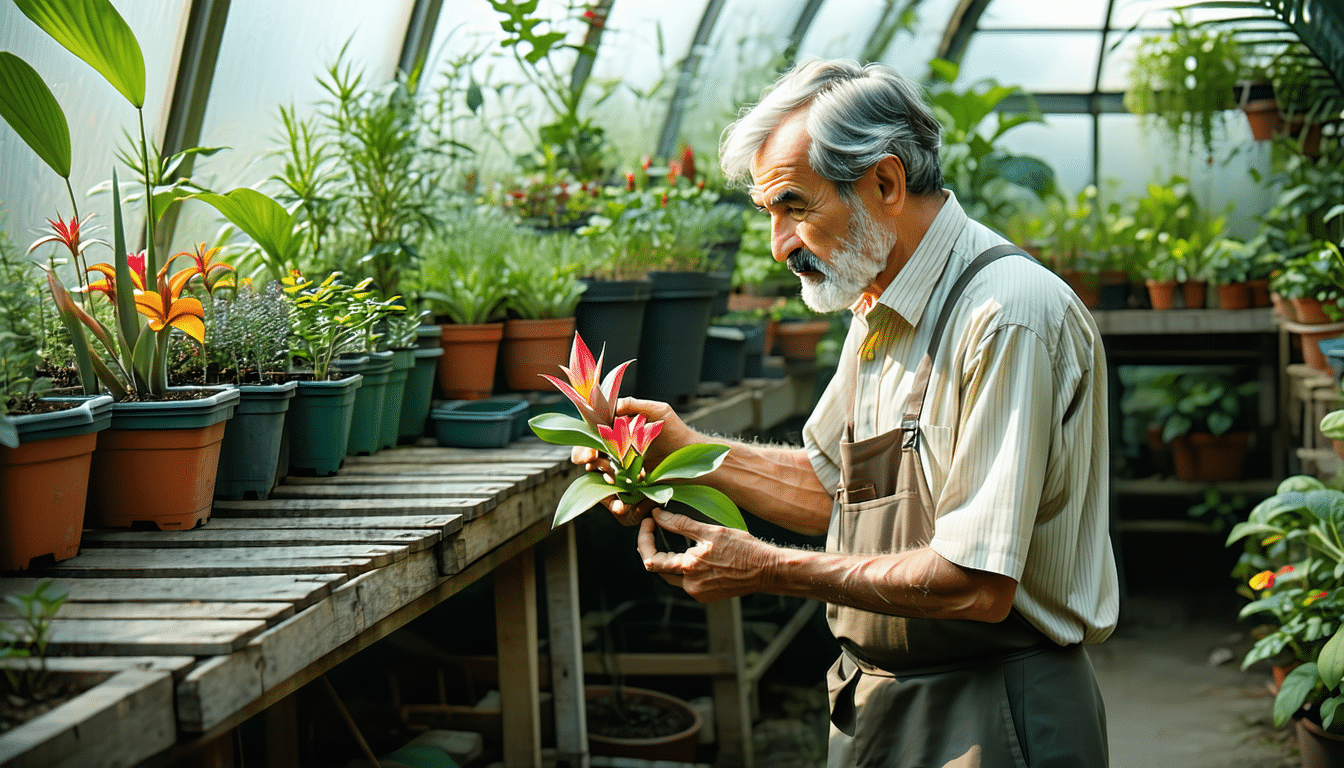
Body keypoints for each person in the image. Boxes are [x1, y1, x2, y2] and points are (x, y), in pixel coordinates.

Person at [576, 58, 1119, 768]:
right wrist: (679, 451)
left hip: (997, 711)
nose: (780, 247)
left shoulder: (1006, 315)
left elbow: (978, 585)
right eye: (770, 214)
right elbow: (837, 490)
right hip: (884, 703)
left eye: (796, 206)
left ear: (885, 183)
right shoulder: (877, 303)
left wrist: (770, 569)